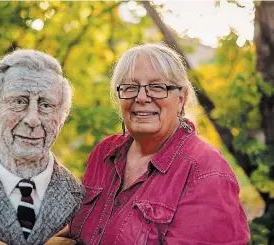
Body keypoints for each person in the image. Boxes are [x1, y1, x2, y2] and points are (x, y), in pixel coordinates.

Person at [66, 43, 250, 244]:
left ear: (181, 98)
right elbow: (78, 229)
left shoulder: (206, 170)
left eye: (157, 87)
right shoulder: (104, 153)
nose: (142, 97)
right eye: (130, 87)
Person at [0, 49, 84, 245]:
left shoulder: (81, 197)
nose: (32, 119)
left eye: (46, 105)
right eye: (19, 101)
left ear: (62, 117)